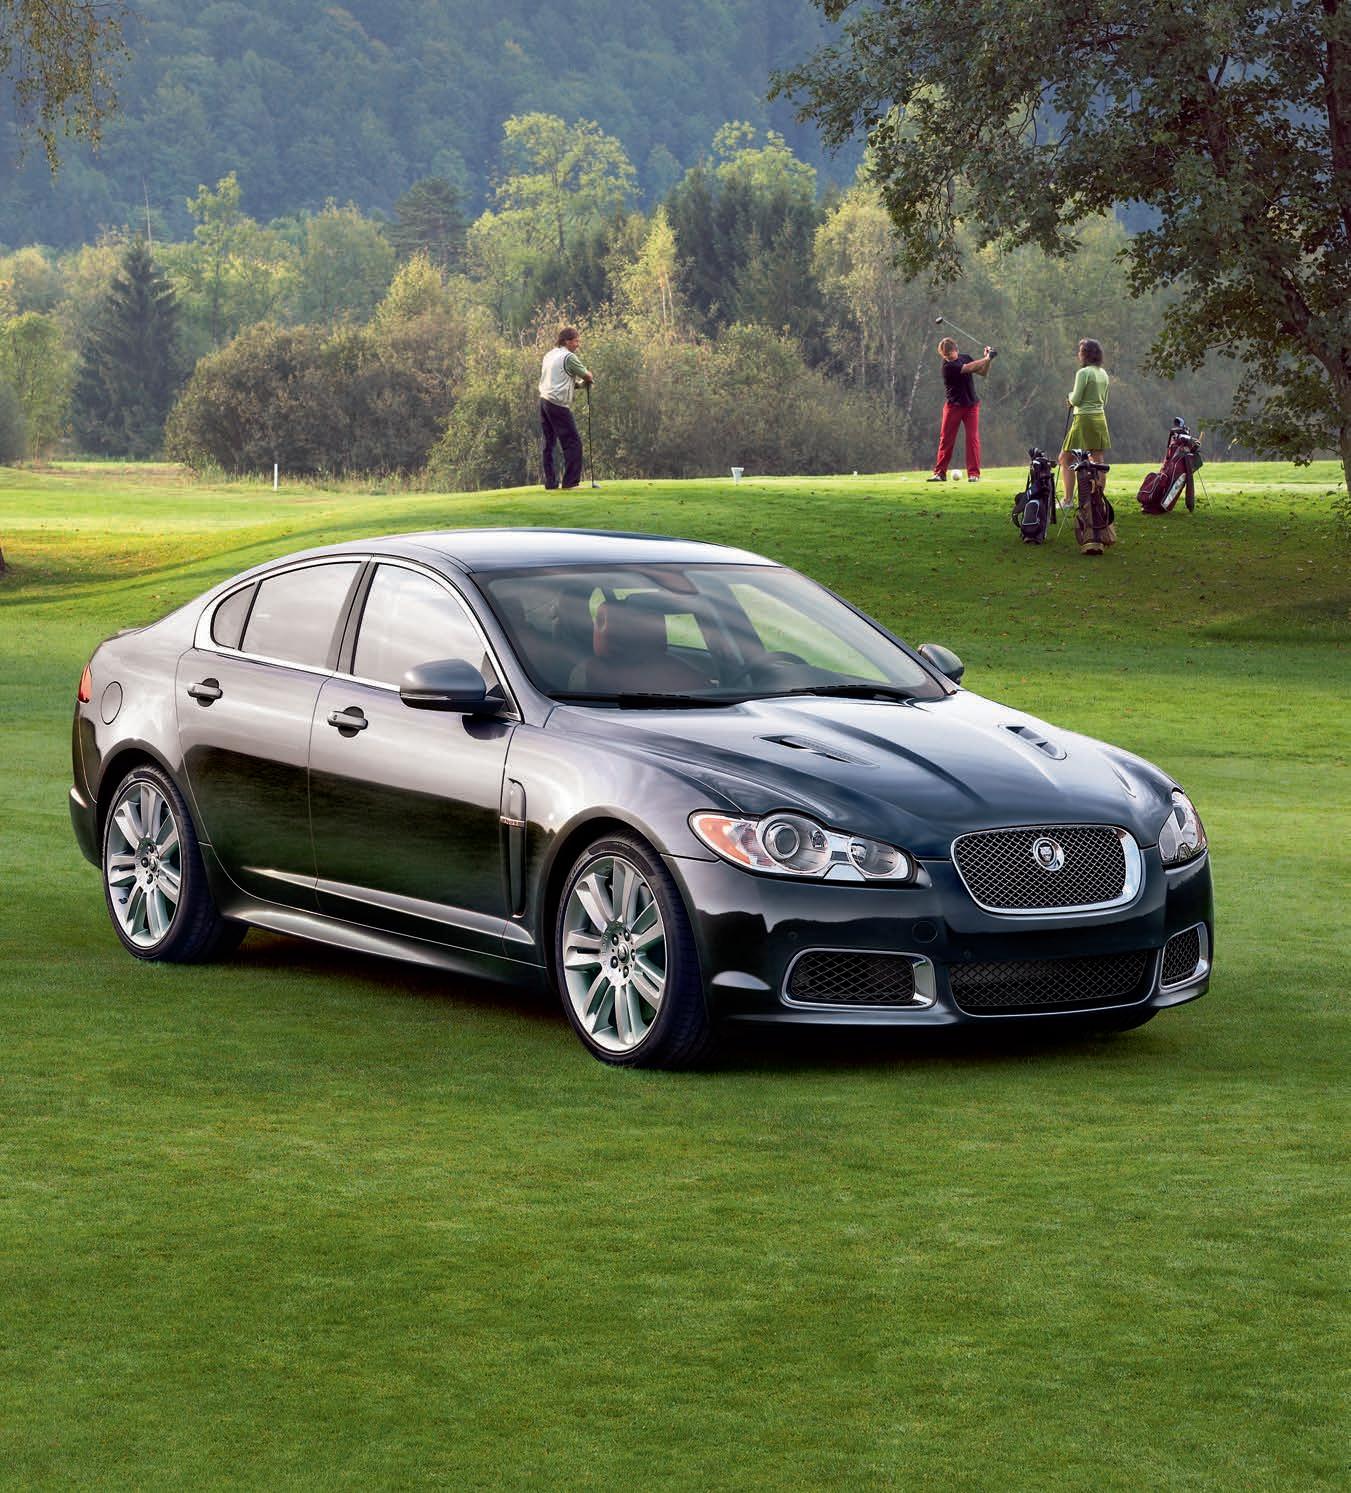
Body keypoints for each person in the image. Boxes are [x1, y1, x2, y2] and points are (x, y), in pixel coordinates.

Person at [929, 336, 993, 482]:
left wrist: (988, 360)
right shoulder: (948, 367)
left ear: (956, 350)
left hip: (971, 406)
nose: (947, 357)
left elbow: (983, 372)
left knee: (972, 439)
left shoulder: (965, 358)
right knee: (946, 440)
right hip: (954, 406)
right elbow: (968, 368)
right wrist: (987, 357)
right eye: (944, 355)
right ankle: (940, 473)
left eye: (949, 354)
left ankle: (974, 474)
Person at [538, 326, 594, 490]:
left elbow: (560, 380)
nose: (578, 344)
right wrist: (588, 380)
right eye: (576, 341)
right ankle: (570, 482)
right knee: (573, 443)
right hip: (557, 405)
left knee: (549, 444)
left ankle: (551, 482)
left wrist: (579, 385)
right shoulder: (569, 357)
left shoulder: (550, 355)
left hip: (544, 402)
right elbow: (587, 375)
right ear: (567, 341)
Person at [1059, 338, 1110, 506]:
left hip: (1083, 418)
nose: (1078, 355)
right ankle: (1098, 501)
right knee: (1098, 460)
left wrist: (1069, 398)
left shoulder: (1083, 373)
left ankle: (1068, 500)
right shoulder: (1103, 374)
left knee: (1065, 458)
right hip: (1100, 418)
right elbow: (1105, 400)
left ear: (1086, 354)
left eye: (1080, 352)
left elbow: (1076, 399)